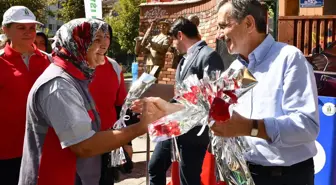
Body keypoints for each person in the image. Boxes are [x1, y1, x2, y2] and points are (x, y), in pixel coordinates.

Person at [136, 1, 320, 185]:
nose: (218, 34)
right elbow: (204, 111)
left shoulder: (288, 59)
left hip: (285, 177)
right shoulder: (236, 68)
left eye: (223, 26)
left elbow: (307, 126)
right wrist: (166, 109)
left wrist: (251, 127)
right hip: (244, 174)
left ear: (248, 23)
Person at [18, 18, 161, 185]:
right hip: (55, 177)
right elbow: (84, 146)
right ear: (75, 43)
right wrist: (140, 127)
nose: (105, 45)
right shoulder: (59, 85)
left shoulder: (75, 77)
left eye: (106, 37)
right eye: (96, 39)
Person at [147, 17, 224, 185]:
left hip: (194, 131)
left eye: (173, 40)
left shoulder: (209, 56)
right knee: (155, 166)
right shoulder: (182, 60)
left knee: (188, 178)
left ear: (180, 35)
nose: (173, 45)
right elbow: (180, 95)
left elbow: (213, 98)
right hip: (174, 125)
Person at [76, 23, 136, 185]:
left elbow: (121, 107)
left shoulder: (114, 67)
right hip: (80, 143)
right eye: (97, 38)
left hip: (108, 140)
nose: (103, 42)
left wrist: (126, 142)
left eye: (107, 37)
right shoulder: (73, 67)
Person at [0, 6, 50, 185]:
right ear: (6, 30)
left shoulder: (50, 61)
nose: (28, 33)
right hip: (7, 154)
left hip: (44, 149)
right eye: (21, 28)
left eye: (32, 28)